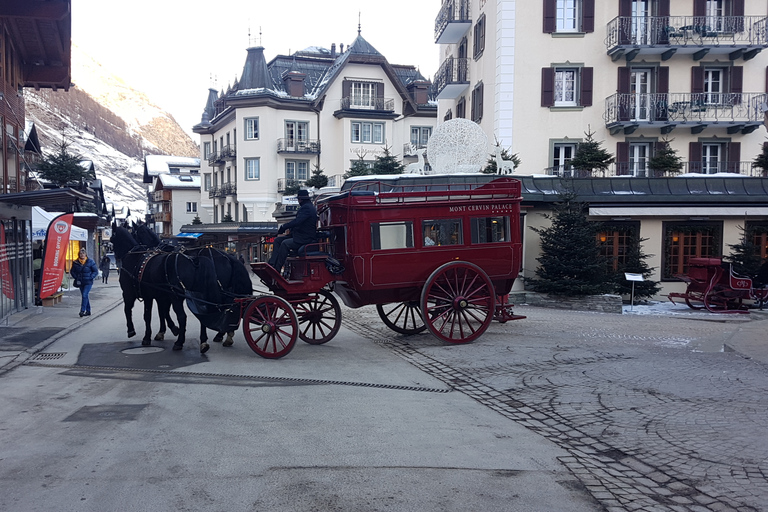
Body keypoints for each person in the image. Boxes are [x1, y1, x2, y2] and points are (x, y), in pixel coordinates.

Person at [268, 189, 317, 273]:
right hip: (300, 235)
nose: (298, 201)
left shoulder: (306, 208)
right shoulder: (307, 207)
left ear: (301, 199)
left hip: (304, 237)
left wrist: (284, 227)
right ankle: (272, 263)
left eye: (298, 199)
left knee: (285, 244)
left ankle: (277, 269)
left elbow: (297, 222)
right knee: (277, 240)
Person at [70, 248, 99, 317]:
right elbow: (72, 271)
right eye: (81, 253)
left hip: (88, 281)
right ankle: (88, 311)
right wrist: (76, 277)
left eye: (83, 253)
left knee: (84, 295)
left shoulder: (90, 262)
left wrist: (91, 277)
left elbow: (95, 271)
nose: (82, 255)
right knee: (85, 296)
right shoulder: (76, 262)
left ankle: (82, 311)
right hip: (80, 282)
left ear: (86, 254)